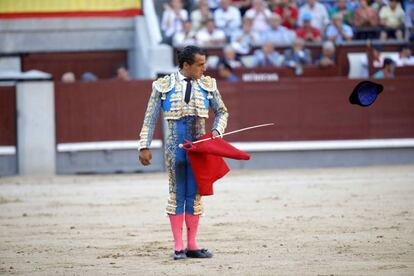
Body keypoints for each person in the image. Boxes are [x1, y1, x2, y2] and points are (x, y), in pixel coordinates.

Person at [138, 45, 228, 260]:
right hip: (174, 150)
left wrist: (216, 131)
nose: (204, 69)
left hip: (200, 150)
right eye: (200, 65)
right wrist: (144, 145)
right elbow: (150, 118)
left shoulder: (208, 85)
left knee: (194, 195)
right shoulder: (163, 85)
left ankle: (192, 245)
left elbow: (222, 112)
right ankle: (179, 247)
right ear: (186, 65)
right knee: (177, 194)